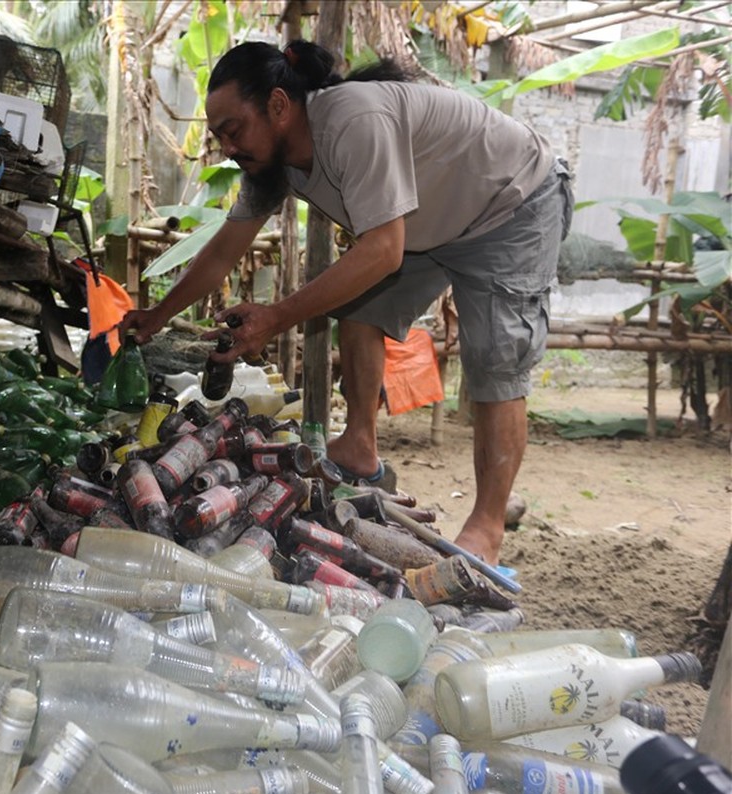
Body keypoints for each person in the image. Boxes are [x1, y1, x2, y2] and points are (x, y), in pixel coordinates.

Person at [120, 40, 573, 566]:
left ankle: (487, 526)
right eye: (218, 134)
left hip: (513, 202)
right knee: (358, 305)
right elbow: (225, 248)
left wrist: (276, 316)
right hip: (431, 223)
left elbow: (383, 249)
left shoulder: (352, 119)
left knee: (496, 358)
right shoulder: (275, 163)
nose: (226, 146)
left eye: (233, 129)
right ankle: (360, 444)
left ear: (279, 106)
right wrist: (157, 315)